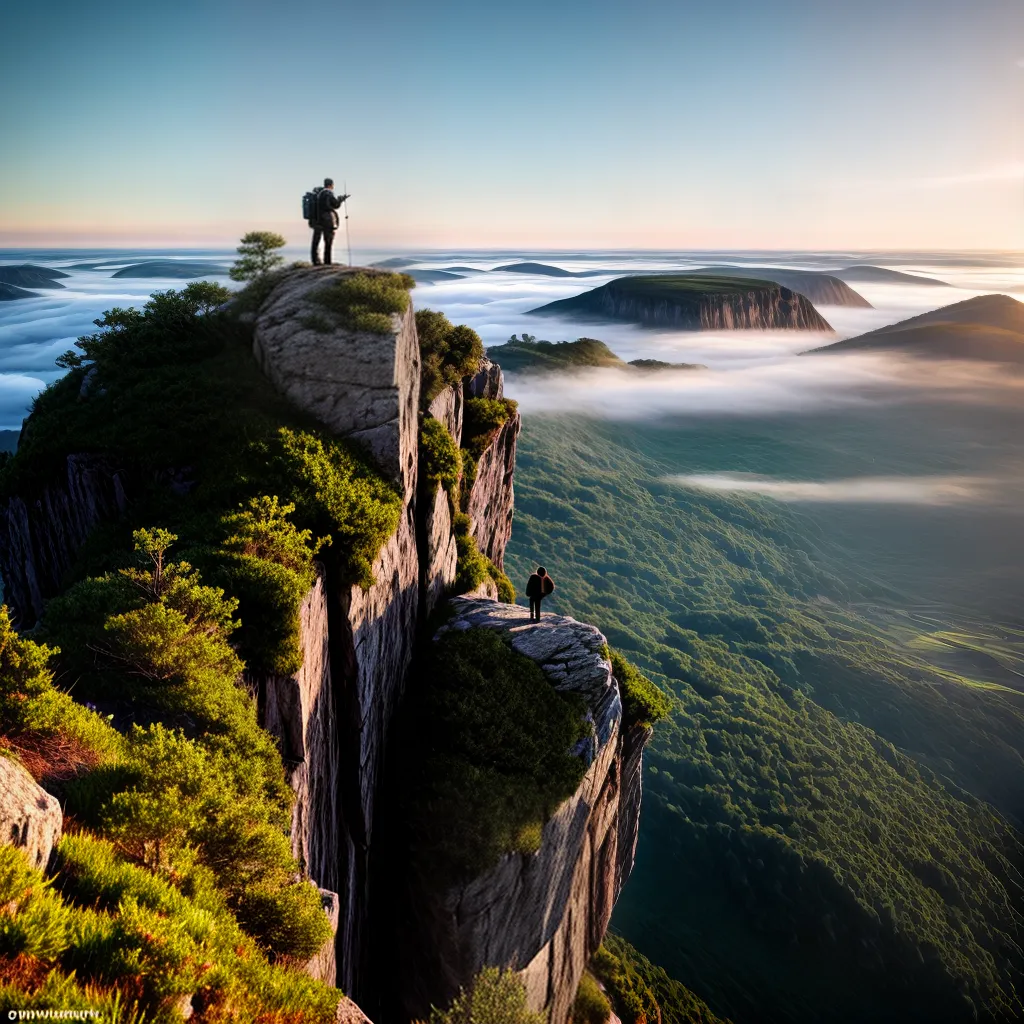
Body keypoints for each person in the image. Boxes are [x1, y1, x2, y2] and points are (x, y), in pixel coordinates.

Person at [310, 178, 350, 266]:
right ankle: (327, 262)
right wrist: (341, 200)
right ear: (331, 185)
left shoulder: (319, 194)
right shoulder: (328, 193)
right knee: (328, 242)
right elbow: (334, 205)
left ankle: (315, 261)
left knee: (316, 241)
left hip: (317, 221)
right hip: (327, 221)